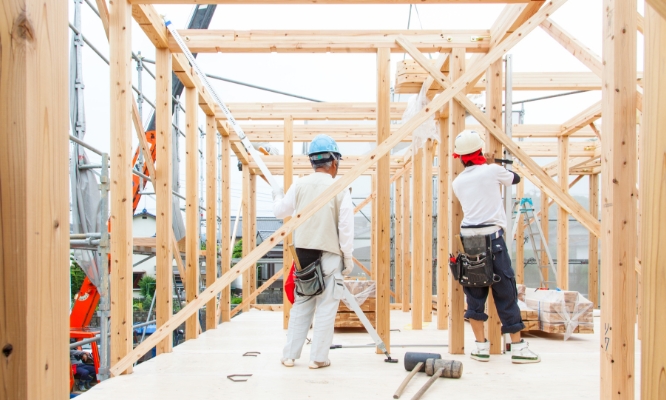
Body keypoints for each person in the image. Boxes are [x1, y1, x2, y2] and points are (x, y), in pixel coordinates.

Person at [451, 129, 540, 364]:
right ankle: (519, 349)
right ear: (480, 151)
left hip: (470, 241)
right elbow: (515, 179)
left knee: (475, 290)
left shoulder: (457, 182)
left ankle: (481, 348)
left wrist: (486, 164)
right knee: (505, 292)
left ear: (460, 157)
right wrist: (492, 163)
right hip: (493, 238)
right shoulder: (492, 170)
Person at [272, 134, 354, 369]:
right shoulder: (340, 187)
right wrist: (347, 258)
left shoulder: (299, 185)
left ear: (313, 162)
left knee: (302, 304)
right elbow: (345, 227)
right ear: (334, 161)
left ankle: (289, 356)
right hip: (329, 254)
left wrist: (277, 195)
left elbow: (280, 211)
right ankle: (318, 358)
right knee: (327, 306)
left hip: (303, 256)